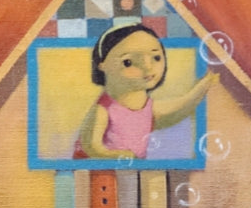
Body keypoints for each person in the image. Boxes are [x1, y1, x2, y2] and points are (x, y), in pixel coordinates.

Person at [76, 23, 219, 160]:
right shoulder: (103, 109)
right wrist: (119, 156)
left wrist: (204, 85)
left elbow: (182, 105)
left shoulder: (148, 108)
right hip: (95, 171)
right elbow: (91, 147)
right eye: (128, 62)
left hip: (130, 170)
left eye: (156, 57)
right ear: (102, 65)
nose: (148, 67)